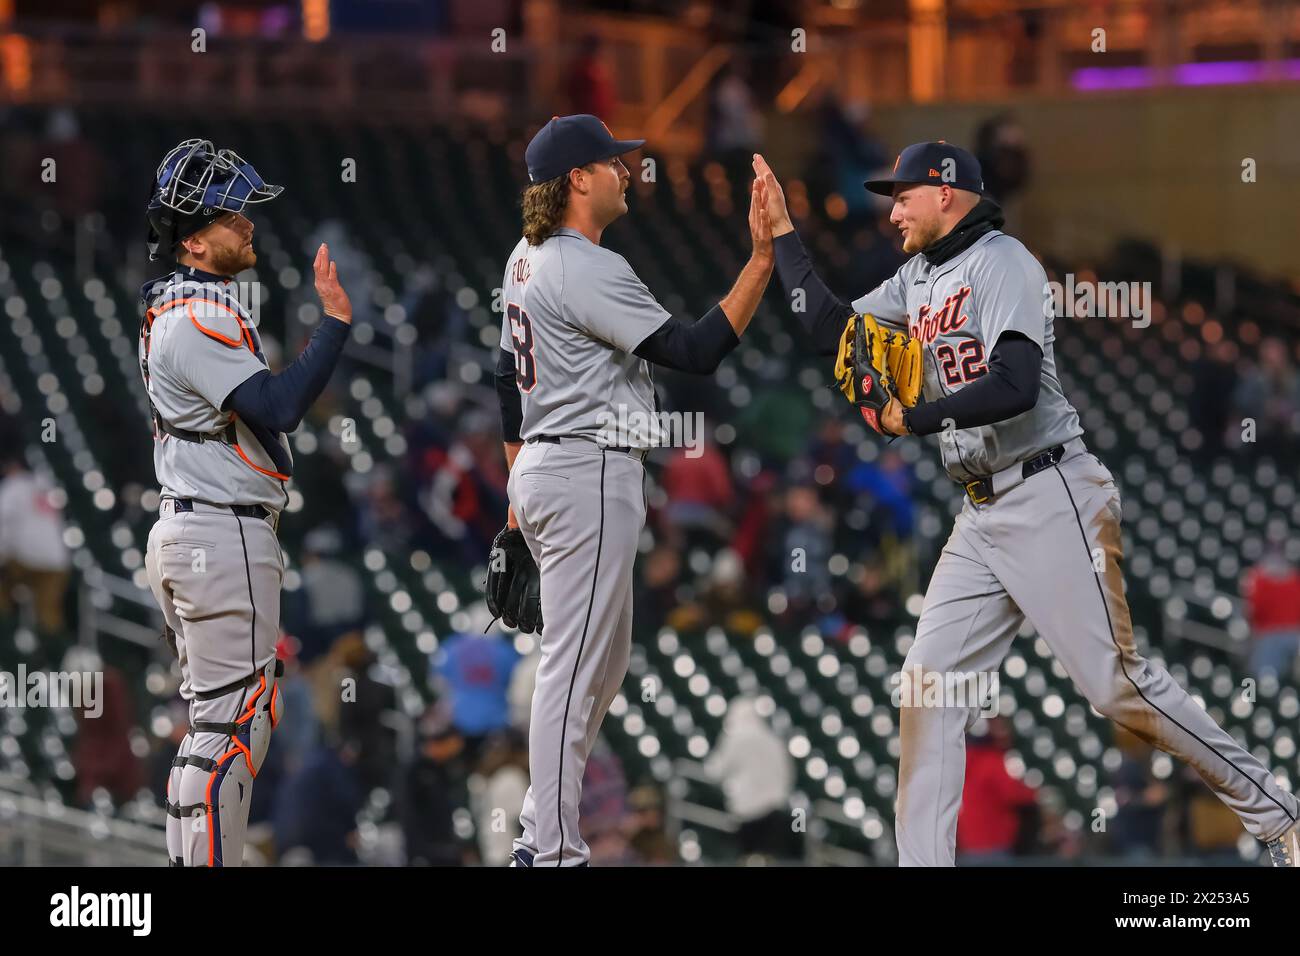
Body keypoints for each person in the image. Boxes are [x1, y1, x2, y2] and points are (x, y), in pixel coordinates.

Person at [754, 142, 1300, 867]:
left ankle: (1277, 814)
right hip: (981, 511)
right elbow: (832, 331)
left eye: (903, 195)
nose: (892, 211)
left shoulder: (1003, 262)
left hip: (1049, 489)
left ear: (945, 192)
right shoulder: (916, 278)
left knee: (1114, 685)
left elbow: (1014, 382)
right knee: (927, 681)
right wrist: (785, 238)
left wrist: (913, 418)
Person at [489, 114, 775, 866]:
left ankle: (541, 832)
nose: (628, 171)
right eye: (614, 162)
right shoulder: (583, 265)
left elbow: (502, 382)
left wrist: (518, 487)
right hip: (587, 466)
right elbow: (695, 350)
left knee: (600, 665)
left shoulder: (525, 257)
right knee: (575, 664)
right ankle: (547, 848)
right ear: (577, 180)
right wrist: (762, 259)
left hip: (559, 465)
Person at [140, 138, 354, 866]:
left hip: (197, 526)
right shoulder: (195, 313)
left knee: (213, 728)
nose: (248, 225)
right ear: (194, 241)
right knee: (235, 725)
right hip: (219, 533)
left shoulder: (179, 308)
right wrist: (335, 326)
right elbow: (280, 404)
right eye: (231, 216)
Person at [0, 455, 71, 638]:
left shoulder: (13, 486)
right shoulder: (44, 483)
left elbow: (4, 524)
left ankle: (9, 636)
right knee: (48, 615)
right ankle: (52, 657)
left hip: (27, 558)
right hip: (57, 562)